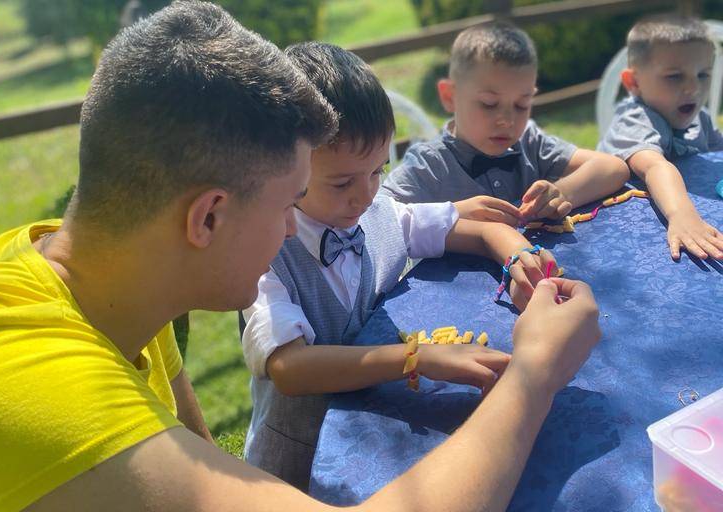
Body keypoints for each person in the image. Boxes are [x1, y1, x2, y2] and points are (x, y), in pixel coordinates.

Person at [0, 3, 601, 511]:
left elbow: (202, 462)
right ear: (208, 216)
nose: (298, 226)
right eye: (292, 200)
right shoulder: (38, 395)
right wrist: (533, 374)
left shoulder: (117, 281)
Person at [241, 41, 561, 489]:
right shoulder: (261, 255)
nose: (366, 194)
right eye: (341, 182)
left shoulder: (375, 213)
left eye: (377, 171)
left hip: (378, 435)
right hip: (297, 462)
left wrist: (516, 255)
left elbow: (470, 227)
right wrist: (418, 358)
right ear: (283, 168)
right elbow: (290, 369)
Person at [381, 22, 628, 226]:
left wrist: (563, 192)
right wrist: (451, 214)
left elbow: (613, 167)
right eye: (489, 104)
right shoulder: (429, 166)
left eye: (522, 105)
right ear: (449, 97)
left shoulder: (529, 143)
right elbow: (375, 217)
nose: (508, 120)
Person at [598, 14, 723, 261]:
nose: (693, 89)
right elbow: (655, 166)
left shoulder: (699, 116)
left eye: (703, 75)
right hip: (627, 231)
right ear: (633, 82)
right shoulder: (635, 120)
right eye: (675, 76)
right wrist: (681, 214)